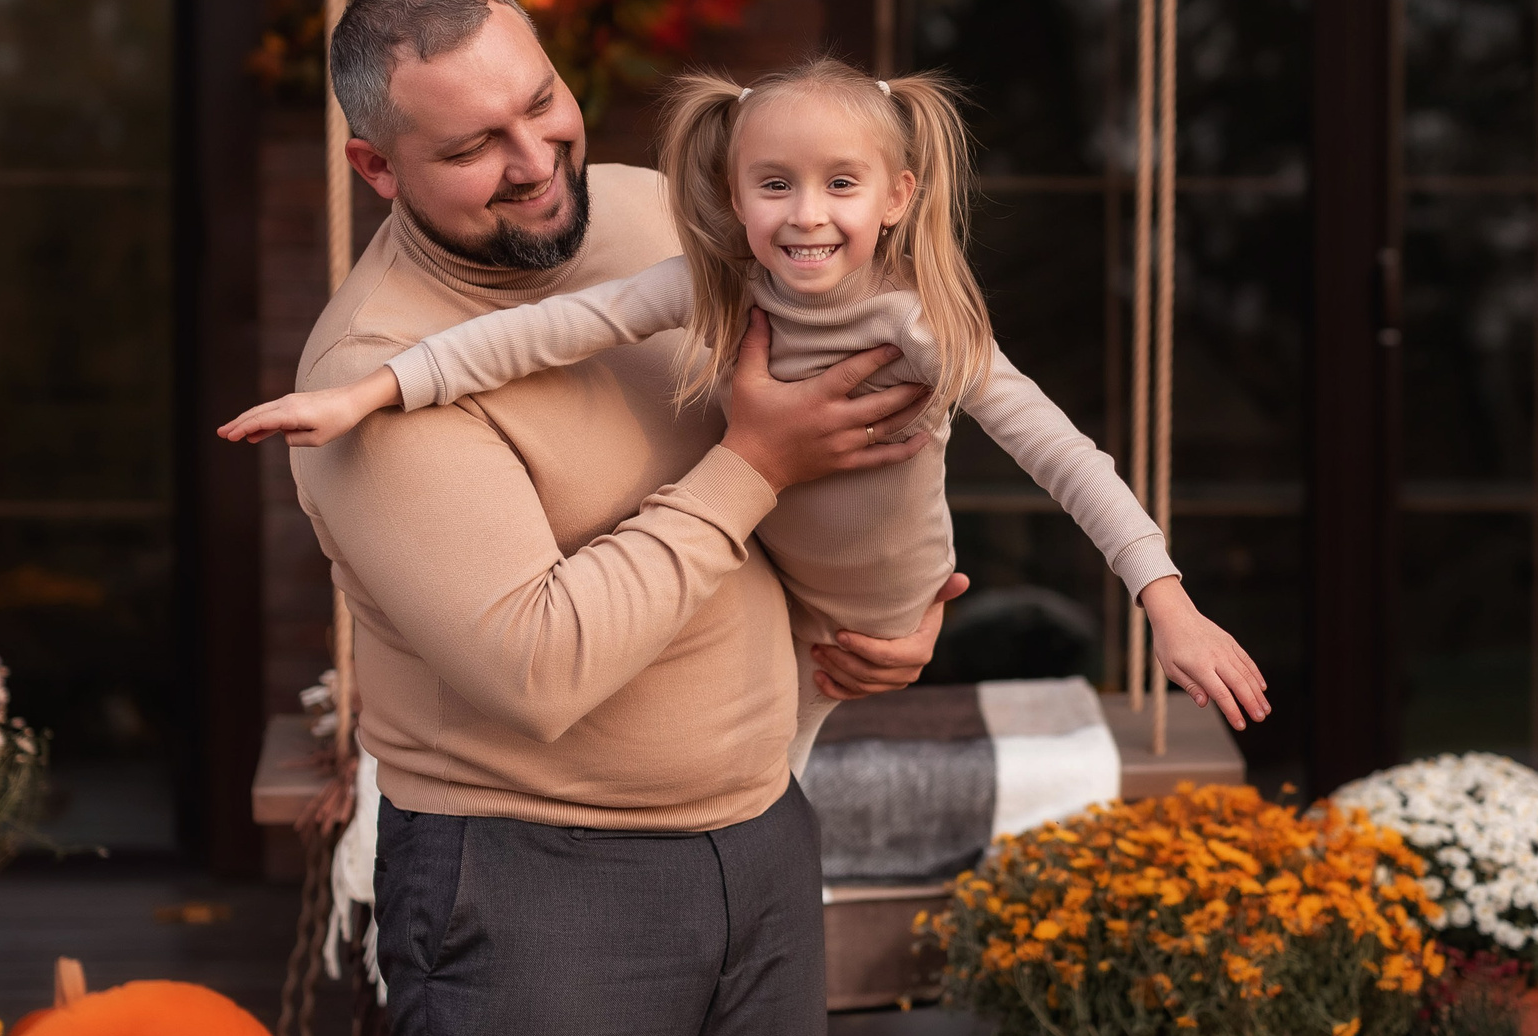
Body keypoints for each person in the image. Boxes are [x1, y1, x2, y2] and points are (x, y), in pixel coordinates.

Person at [269, 0, 965, 1036]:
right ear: (378, 168)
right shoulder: (372, 377)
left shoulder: (660, 215)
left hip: (758, 841)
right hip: (536, 883)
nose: (535, 159)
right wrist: (754, 457)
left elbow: (827, 455)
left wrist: (888, 615)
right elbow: (539, 663)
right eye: (474, 145)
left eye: (543, 103)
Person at [225, 57, 1273, 774]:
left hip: (872, 600)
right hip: (777, 586)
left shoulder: (920, 326)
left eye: (841, 184)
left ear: (899, 195)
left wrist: (1166, 603)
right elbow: (541, 331)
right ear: (732, 191)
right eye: (774, 184)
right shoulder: (715, 282)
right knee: (763, 808)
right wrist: (367, 389)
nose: (806, 213)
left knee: (783, 793)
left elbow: (1065, 456)